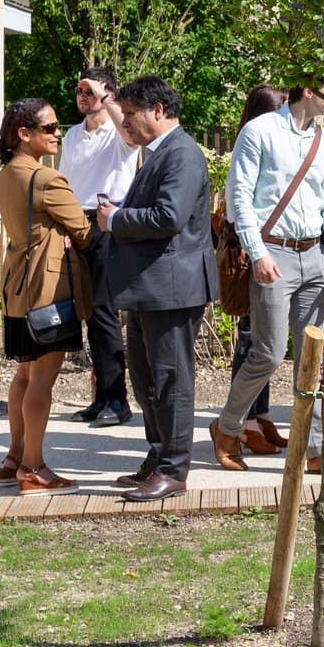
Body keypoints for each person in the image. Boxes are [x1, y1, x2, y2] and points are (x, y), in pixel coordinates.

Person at [216, 83, 324, 476]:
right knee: (266, 353)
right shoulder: (261, 130)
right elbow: (241, 198)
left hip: (314, 254)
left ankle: (317, 450)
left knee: (313, 362)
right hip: (274, 252)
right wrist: (258, 250)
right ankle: (228, 428)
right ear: (306, 89)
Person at [98, 75, 217, 503]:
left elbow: (168, 217)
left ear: (158, 111)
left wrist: (114, 219)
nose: (125, 122)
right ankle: (158, 454)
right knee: (147, 378)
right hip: (152, 288)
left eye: (130, 114)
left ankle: (174, 469)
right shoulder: (161, 152)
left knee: (171, 380)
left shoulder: (182, 154)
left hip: (173, 288)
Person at [0, 98, 93, 495]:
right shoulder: (47, 180)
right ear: (24, 134)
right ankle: (34, 468)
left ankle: (14, 456)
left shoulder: (7, 174)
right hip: (48, 290)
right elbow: (84, 231)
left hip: (17, 285)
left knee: (23, 374)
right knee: (43, 379)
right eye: (50, 128)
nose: (58, 134)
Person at [57, 65, 139, 427]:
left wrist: (104, 94)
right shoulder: (73, 135)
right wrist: (63, 224)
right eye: (80, 90)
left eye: (90, 91)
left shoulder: (120, 133)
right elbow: (63, 183)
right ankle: (102, 396)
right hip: (76, 222)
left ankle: (119, 400)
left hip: (108, 221)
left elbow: (133, 135)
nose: (83, 96)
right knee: (88, 312)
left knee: (104, 314)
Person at [221, 83, 289, 456]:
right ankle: (243, 424)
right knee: (251, 343)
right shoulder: (248, 150)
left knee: (263, 342)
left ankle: (259, 415)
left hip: (270, 254)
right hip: (253, 256)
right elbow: (237, 208)